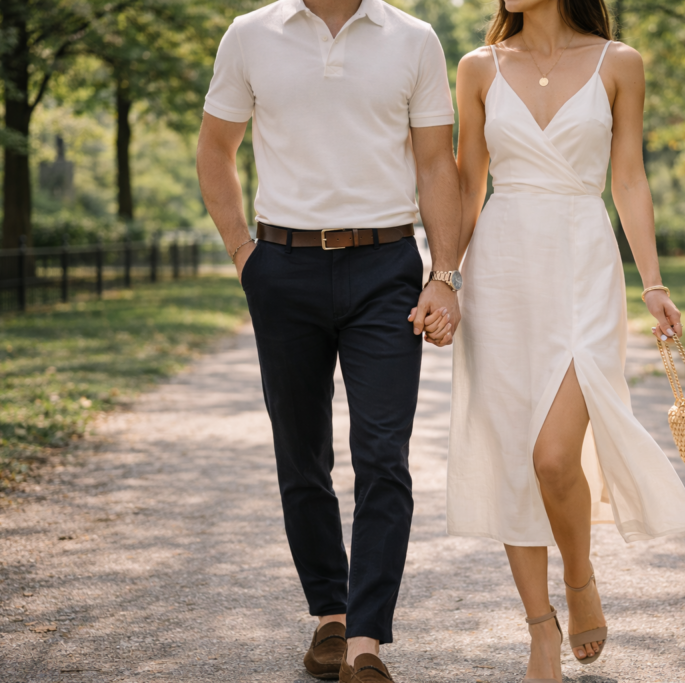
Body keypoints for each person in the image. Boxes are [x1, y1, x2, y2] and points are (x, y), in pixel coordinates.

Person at [195, 0, 463, 679]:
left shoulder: (414, 38)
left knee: (383, 453)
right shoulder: (250, 35)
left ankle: (366, 642)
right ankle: (330, 616)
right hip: (283, 267)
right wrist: (242, 255)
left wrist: (445, 276)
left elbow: (437, 165)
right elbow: (214, 147)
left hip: (386, 268)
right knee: (302, 452)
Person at [444, 0, 685, 679]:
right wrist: (444, 277)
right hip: (501, 272)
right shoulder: (477, 68)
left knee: (555, 455)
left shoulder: (619, 63)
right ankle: (540, 630)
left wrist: (653, 283)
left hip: (585, 264)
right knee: (511, 453)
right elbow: (470, 184)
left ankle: (579, 575)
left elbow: (629, 177)